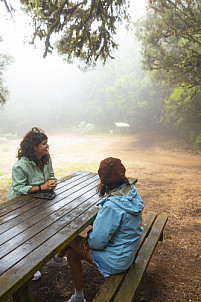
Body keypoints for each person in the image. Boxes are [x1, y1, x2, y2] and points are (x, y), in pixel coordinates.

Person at [61, 157, 144, 302]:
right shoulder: (131, 192)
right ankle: (78, 296)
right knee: (72, 254)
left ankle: (57, 257)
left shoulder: (112, 206)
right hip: (128, 250)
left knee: (68, 239)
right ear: (123, 173)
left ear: (101, 177)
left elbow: (97, 242)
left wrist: (89, 237)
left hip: (116, 260)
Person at [6, 127, 68, 280]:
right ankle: (27, 267)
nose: (47, 146)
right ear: (34, 147)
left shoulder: (47, 158)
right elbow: (19, 189)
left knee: (44, 229)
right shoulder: (20, 165)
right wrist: (42, 187)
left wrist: (52, 182)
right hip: (19, 205)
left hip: (40, 201)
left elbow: (52, 176)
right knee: (26, 235)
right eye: (44, 144)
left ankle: (48, 257)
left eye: (47, 143)